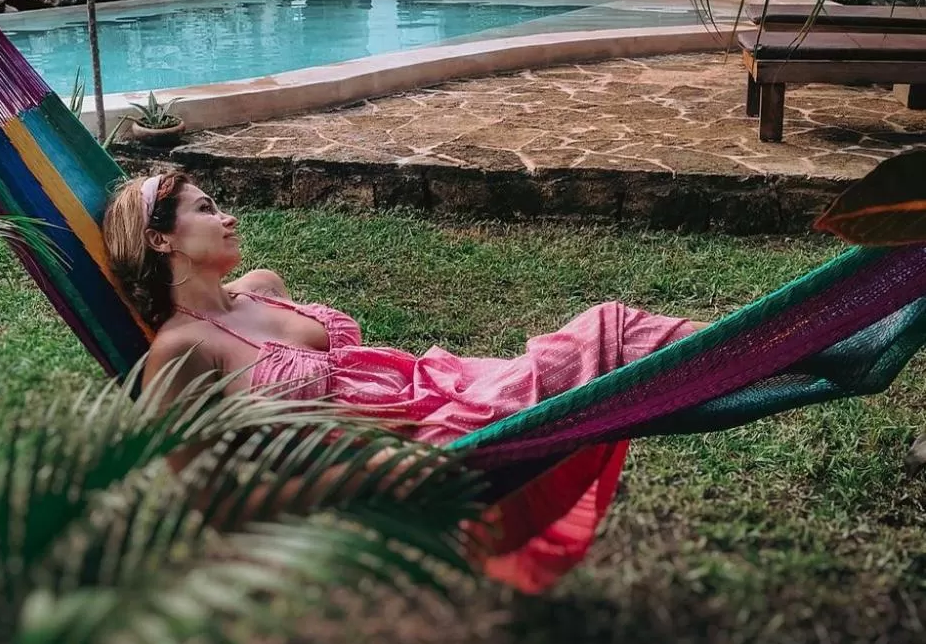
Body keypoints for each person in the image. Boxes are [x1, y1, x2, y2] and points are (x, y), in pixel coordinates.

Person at [103, 171, 696, 593]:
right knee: (607, 329)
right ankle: (777, 347)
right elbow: (211, 503)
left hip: (455, 388)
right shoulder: (182, 349)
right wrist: (364, 481)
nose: (227, 216)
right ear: (161, 239)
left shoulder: (264, 286)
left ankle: (775, 347)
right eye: (205, 209)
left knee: (611, 335)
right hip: (424, 444)